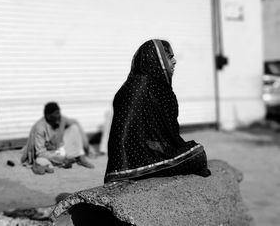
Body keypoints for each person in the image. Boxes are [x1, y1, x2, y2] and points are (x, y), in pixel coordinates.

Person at [104, 39, 211, 183]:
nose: (174, 62)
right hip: (135, 164)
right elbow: (124, 135)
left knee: (194, 152)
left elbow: (164, 136)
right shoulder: (140, 87)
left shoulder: (152, 86)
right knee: (197, 154)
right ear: (156, 59)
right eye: (169, 57)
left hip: (141, 157)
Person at [21, 102, 94, 174]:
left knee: (74, 128)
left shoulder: (60, 119)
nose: (58, 116)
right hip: (48, 153)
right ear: (48, 116)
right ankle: (57, 162)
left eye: (58, 113)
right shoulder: (40, 128)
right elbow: (40, 153)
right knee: (43, 163)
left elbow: (75, 122)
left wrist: (86, 146)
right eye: (55, 114)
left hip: (59, 149)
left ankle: (80, 158)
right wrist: (62, 159)